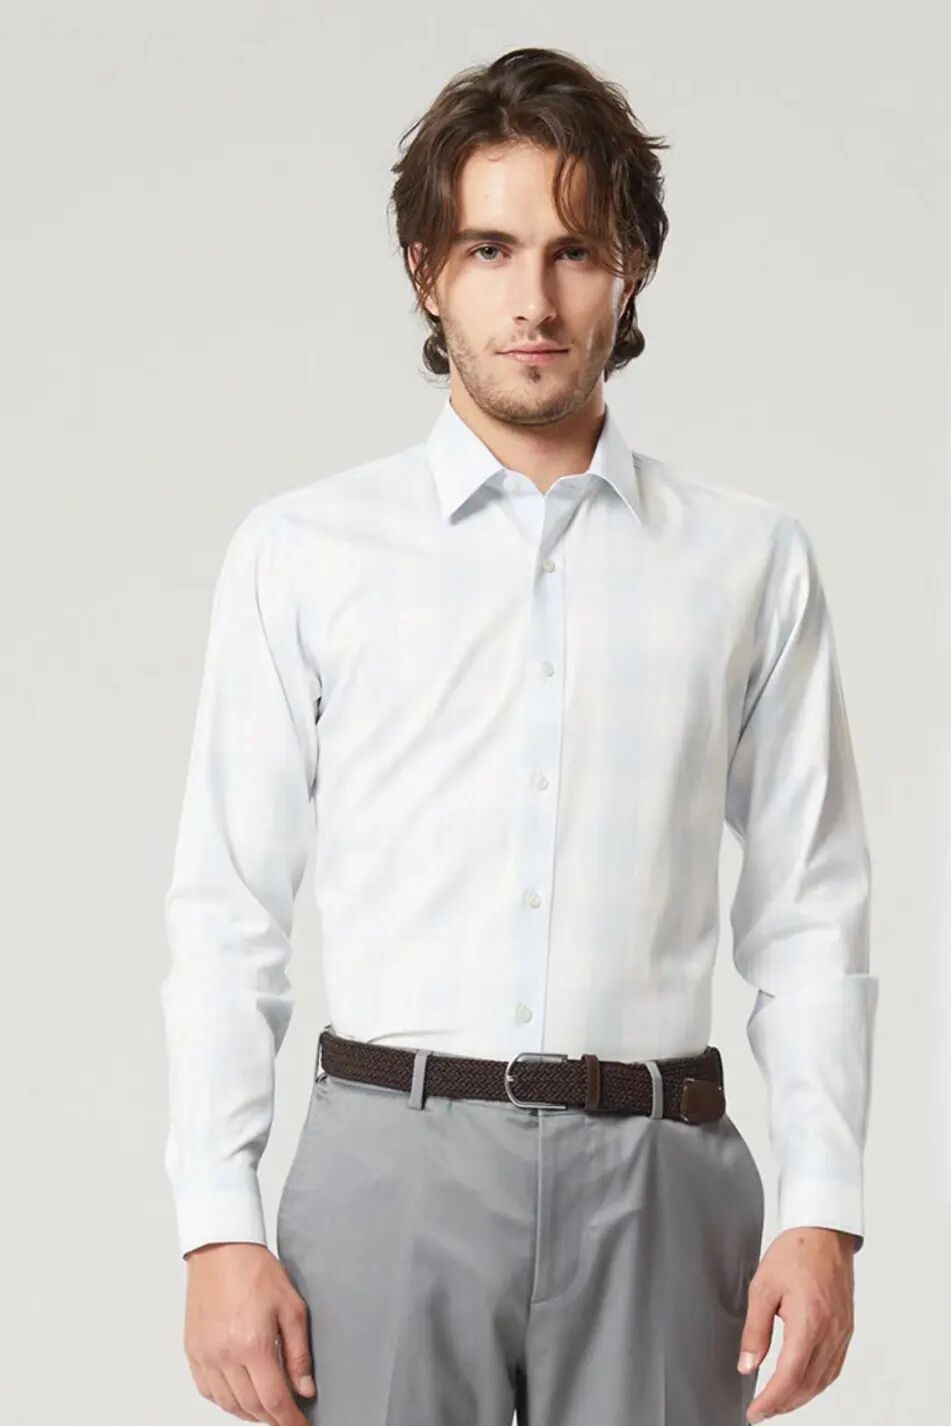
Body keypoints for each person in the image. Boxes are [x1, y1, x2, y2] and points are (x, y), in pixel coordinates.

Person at [160, 44, 879, 1426]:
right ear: (428, 270)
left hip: (662, 1185)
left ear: (631, 271)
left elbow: (811, 910)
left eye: (575, 250)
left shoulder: (748, 560)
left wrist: (823, 1206)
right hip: (388, 1175)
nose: (534, 300)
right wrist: (216, 1225)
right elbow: (227, 909)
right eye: (490, 248)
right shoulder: (304, 553)